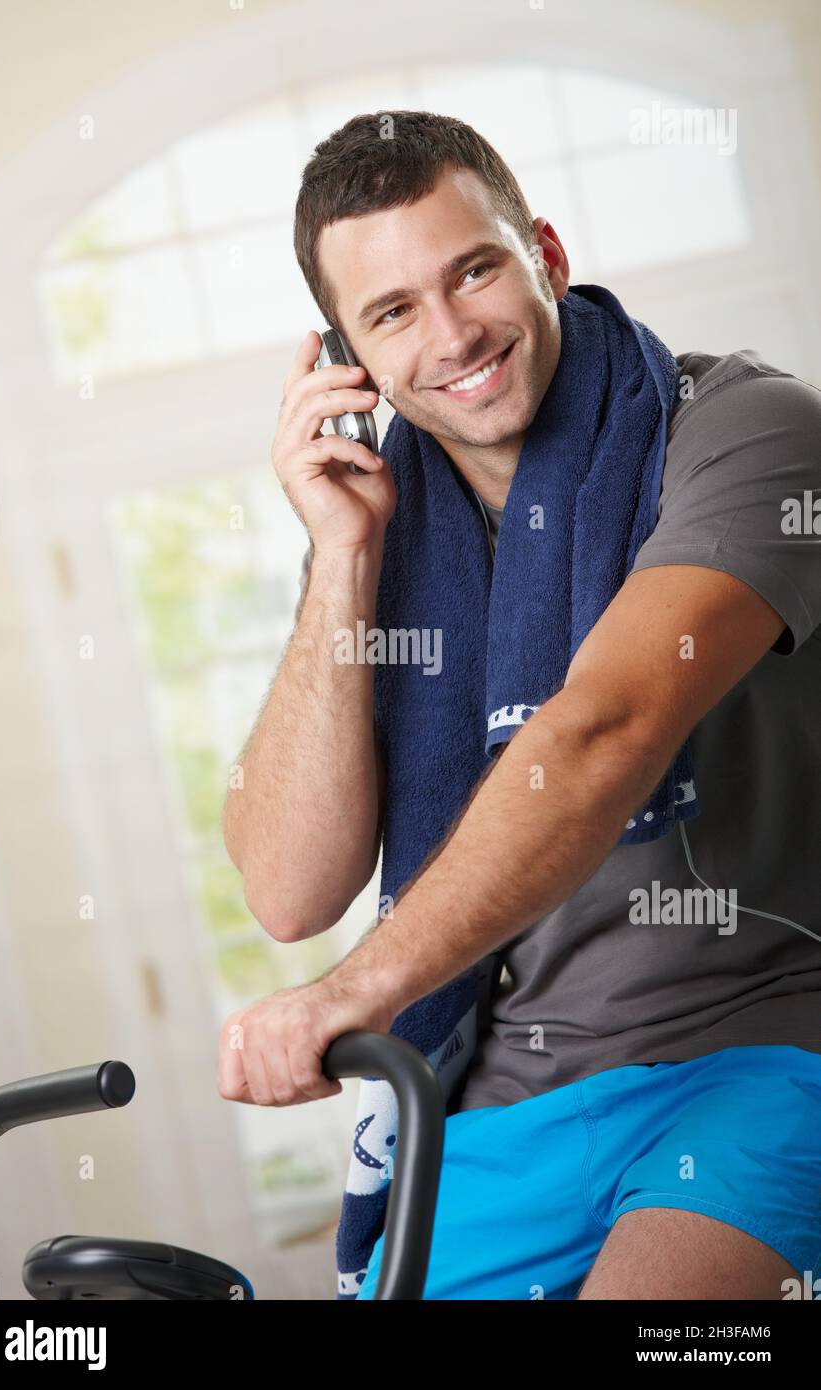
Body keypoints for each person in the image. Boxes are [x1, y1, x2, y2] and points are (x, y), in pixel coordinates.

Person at [219, 111, 821, 1300]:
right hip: (507, 1095)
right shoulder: (386, 539)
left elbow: (602, 734)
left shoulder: (750, 436)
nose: (451, 335)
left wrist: (352, 995)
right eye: (391, 312)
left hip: (765, 1042)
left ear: (542, 251)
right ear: (346, 356)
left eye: (473, 269)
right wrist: (341, 555)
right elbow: (289, 889)